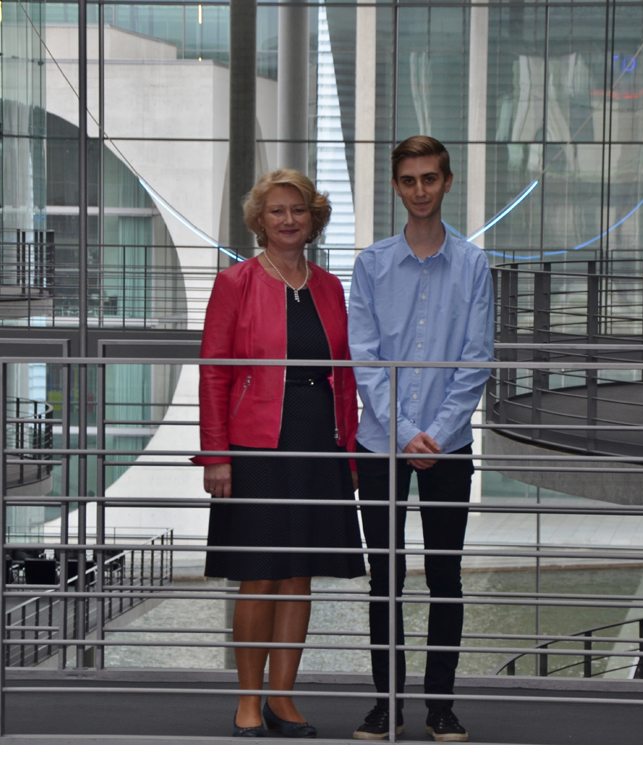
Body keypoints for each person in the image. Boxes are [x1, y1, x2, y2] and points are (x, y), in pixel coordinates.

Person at [193, 168, 365, 738]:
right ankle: (248, 699)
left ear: (313, 220)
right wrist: (216, 454)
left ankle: (283, 698)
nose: (289, 220)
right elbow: (215, 372)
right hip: (255, 442)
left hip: (319, 439)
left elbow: (347, 377)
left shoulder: (330, 286)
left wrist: (350, 453)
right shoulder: (235, 283)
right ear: (259, 221)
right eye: (277, 211)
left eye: (299, 211)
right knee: (258, 575)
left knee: (299, 577)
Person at [348, 136, 494, 742]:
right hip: (380, 444)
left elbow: (476, 360)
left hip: (450, 443)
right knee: (384, 578)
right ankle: (388, 703)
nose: (420, 190)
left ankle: (440, 704)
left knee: (445, 577)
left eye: (429, 178)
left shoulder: (474, 263)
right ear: (396, 187)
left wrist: (435, 433)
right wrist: (406, 433)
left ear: (447, 182)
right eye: (409, 180)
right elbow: (365, 359)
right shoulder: (370, 265)